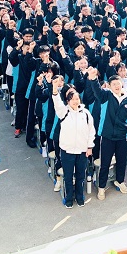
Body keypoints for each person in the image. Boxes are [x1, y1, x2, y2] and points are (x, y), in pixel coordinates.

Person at [87, 69, 127, 200]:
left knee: (121, 160)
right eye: (114, 84)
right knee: (105, 162)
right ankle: (101, 187)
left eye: (118, 83)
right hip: (107, 136)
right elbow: (97, 91)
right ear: (109, 86)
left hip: (122, 136)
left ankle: (120, 181)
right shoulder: (106, 96)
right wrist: (93, 78)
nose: (117, 86)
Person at [51, 76, 95, 209]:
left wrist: (89, 147)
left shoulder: (86, 113)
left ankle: (80, 197)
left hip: (82, 150)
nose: (75, 101)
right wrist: (54, 88)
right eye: (72, 99)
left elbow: (91, 131)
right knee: (68, 176)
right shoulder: (63, 112)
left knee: (80, 176)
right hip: (67, 151)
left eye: (77, 99)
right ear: (68, 101)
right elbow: (57, 101)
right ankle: (69, 198)